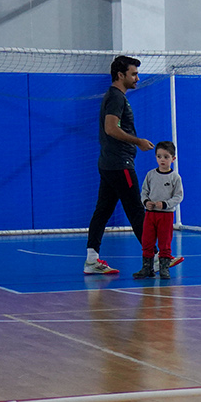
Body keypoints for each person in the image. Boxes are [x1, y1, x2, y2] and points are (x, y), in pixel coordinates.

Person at [84, 55, 155, 275]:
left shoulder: (115, 97)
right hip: (120, 164)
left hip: (109, 163)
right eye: (133, 74)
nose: (137, 78)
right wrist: (138, 141)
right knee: (136, 210)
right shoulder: (116, 97)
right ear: (120, 75)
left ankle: (91, 260)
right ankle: (156, 258)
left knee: (103, 211)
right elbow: (111, 128)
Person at [135, 140, 184, 279]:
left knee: (165, 242)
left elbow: (179, 196)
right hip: (150, 215)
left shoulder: (175, 177)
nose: (162, 160)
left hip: (166, 216)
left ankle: (164, 268)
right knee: (147, 241)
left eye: (166, 157)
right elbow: (144, 192)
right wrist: (146, 202)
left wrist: (165, 204)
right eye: (159, 156)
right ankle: (147, 268)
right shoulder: (150, 175)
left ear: (173, 159)